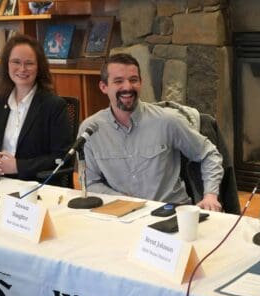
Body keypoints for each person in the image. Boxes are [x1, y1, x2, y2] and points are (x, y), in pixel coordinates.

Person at [79, 53, 224, 211]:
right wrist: (122, 200)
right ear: (103, 87)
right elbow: (90, 182)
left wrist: (210, 195)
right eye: (118, 81)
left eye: (133, 80)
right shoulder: (90, 130)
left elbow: (209, 154)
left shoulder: (168, 120)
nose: (127, 87)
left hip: (169, 212)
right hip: (122, 213)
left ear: (141, 83)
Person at [0, 34, 72, 180]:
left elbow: (62, 157)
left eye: (29, 63)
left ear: (39, 67)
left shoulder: (54, 106)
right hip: (0, 181)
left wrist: (18, 166)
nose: (22, 68)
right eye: (16, 62)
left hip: (36, 187)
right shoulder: (0, 103)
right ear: (7, 65)